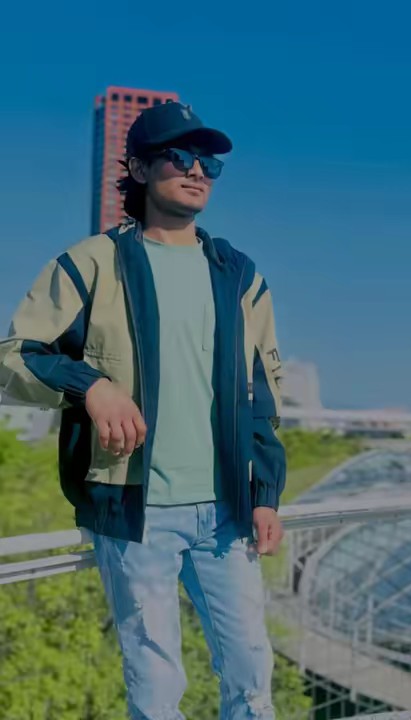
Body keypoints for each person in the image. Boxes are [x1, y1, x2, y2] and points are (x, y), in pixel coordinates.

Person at [0, 101, 286, 719]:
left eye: (208, 162)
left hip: (228, 511)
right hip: (135, 510)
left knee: (251, 674)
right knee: (156, 688)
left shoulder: (239, 275)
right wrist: (92, 386)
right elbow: (16, 356)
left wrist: (265, 493)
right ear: (137, 168)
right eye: (179, 157)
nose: (197, 170)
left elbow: (261, 394)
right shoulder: (90, 264)